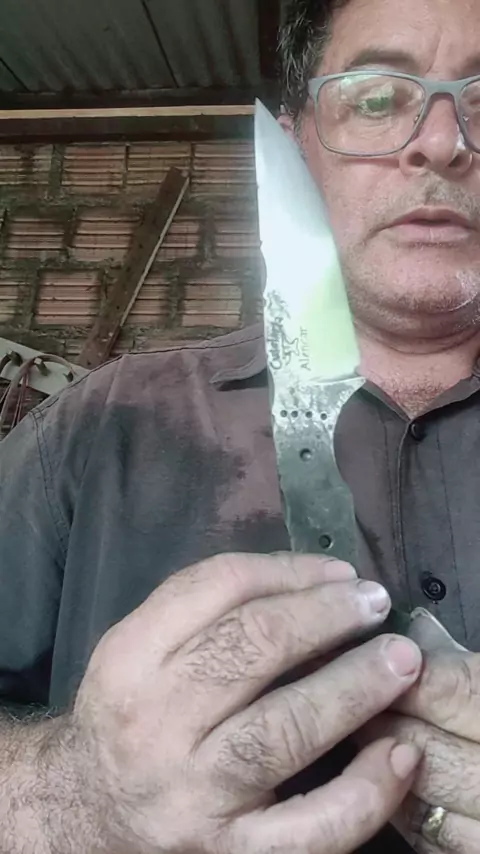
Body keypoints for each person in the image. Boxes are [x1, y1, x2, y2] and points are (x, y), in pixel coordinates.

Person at [2, 0, 480, 850]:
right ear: (298, 147)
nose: (442, 142)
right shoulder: (102, 427)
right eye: (377, 98)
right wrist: (70, 795)